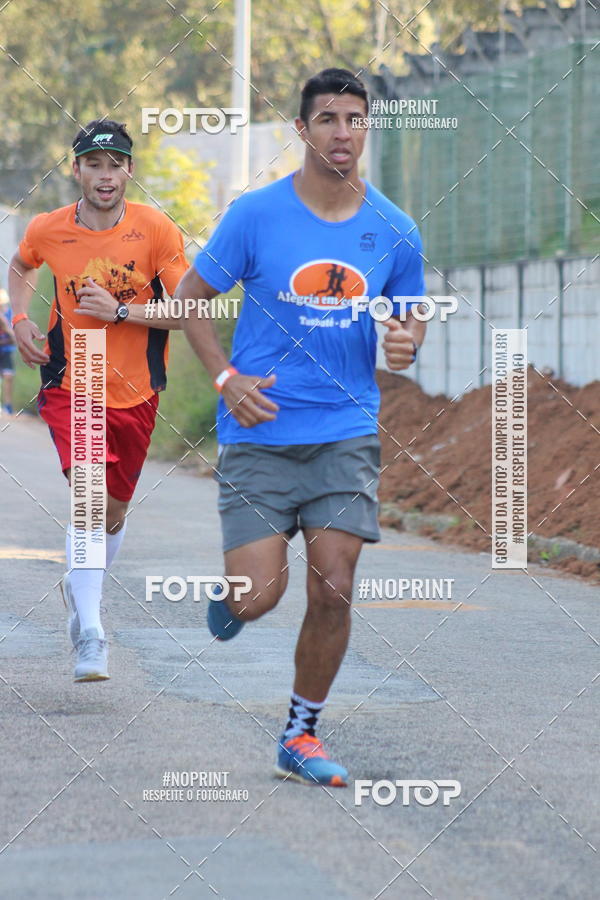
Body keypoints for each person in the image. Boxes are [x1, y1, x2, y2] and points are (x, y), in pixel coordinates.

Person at [178, 68, 427, 786]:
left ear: (365, 128)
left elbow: (406, 318)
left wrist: (407, 342)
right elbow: (192, 299)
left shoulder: (394, 228)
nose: (342, 132)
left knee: (335, 584)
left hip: (345, 430)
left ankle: (300, 732)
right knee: (260, 596)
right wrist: (225, 377)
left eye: (354, 118)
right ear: (302, 129)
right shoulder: (256, 215)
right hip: (259, 431)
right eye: (327, 119)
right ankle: (233, 600)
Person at [9, 119, 188, 682]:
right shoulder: (49, 228)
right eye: (94, 164)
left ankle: (78, 586)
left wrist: (120, 311)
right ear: (77, 170)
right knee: (87, 502)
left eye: (116, 165)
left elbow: (186, 313)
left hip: (138, 387)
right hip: (75, 374)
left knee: (112, 514)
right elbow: (20, 264)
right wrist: (16, 318)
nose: (105, 176)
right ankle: (92, 631)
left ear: (129, 170)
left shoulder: (156, 230)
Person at [0, 288, 16, 414]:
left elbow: (14, 338)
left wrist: (5, 325)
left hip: (7, 351)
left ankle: (8, 406)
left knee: (8, 376)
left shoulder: (10, 314)